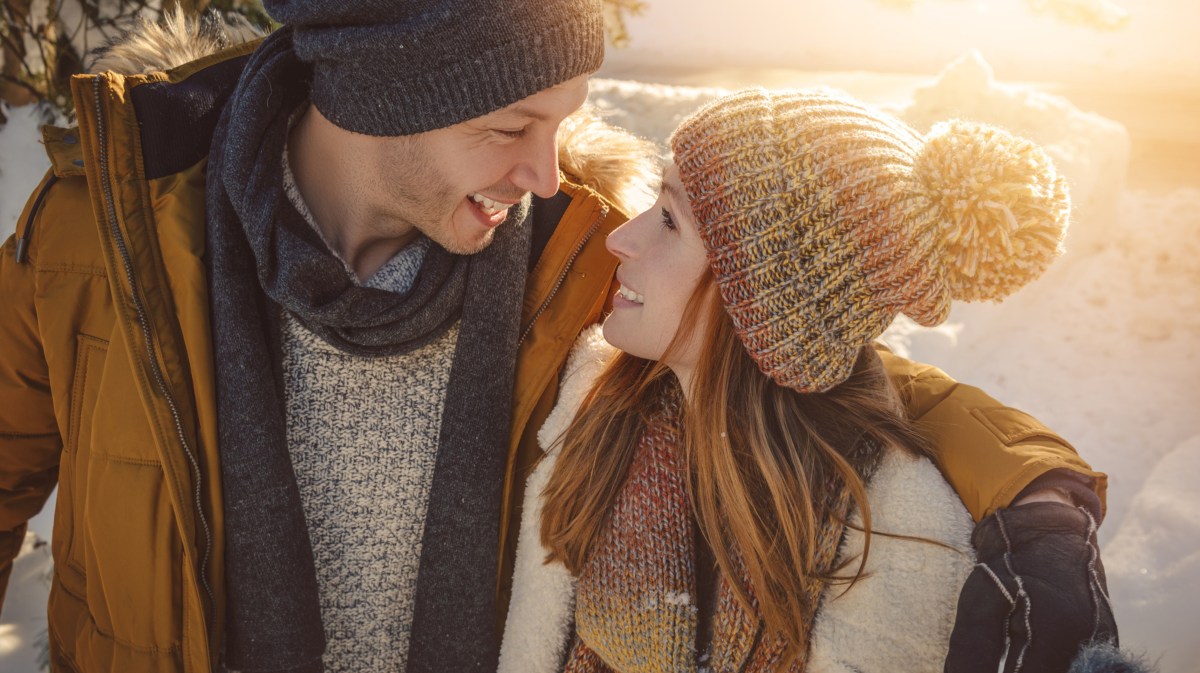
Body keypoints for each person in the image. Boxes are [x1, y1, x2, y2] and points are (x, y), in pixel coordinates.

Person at [0, 5, 1108, 673]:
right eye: (508, 127)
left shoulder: (575, 256)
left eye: (564, 119)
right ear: (383, 96)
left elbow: (799, 353)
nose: (545, 174)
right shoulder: (102, 234)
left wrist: (1032, 494)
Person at [500, 88, 1122, 673]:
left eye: (669, 220)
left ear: (765, 306)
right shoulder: (585, 392)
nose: (619, 238)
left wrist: (1044, 509)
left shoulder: (891, 545)